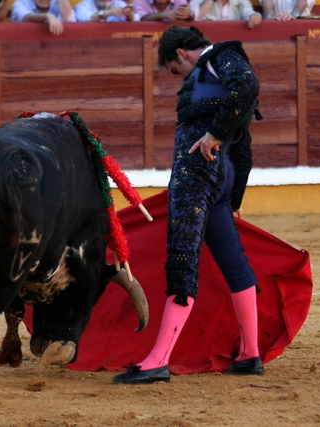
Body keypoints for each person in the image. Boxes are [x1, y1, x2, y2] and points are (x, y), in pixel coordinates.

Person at [113, 25, 262, 385]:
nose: (178, 76)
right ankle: (250, 354)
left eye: (174, 69)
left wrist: (213, 135)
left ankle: (157, 361)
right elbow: (241, 136)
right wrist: (233, 192)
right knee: (232, 261)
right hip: (219, 176)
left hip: (197, 176)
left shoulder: (218, 58)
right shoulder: (215, 68)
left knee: (183, 259)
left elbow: (248, 87)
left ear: (180, 53)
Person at [11, 0, 75, 35]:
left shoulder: (57, 3)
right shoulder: (21, 3)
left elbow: (68, 18)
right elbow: (26, 17)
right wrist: (48, 16)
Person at [190, 0, 262, 29]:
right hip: (207, 44)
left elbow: (249, 14)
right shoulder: (197, 1)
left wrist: (254, 16)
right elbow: (194, 19)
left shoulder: (242, 1)